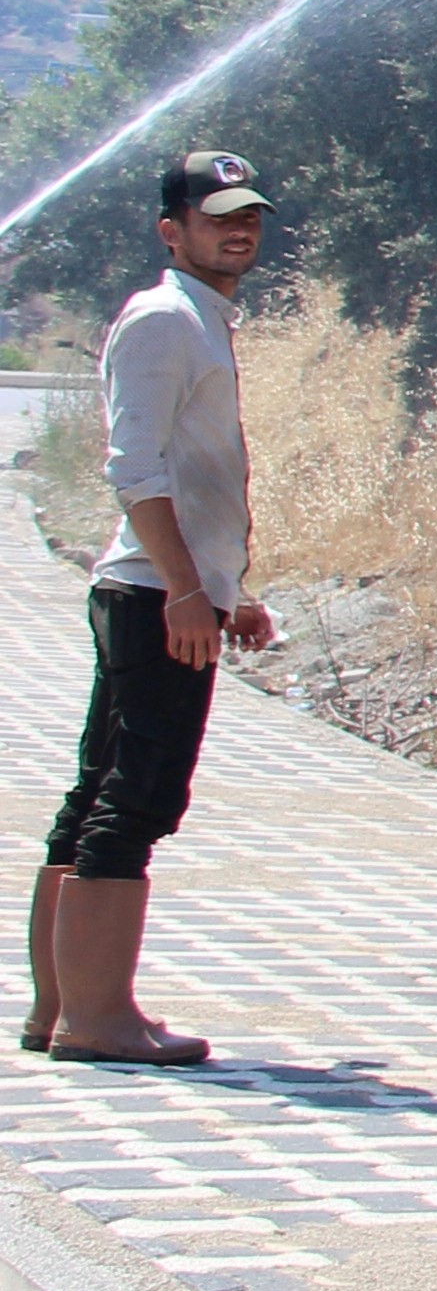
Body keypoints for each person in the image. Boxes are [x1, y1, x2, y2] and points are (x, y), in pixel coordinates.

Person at [29, 153, 279, 1067]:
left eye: (248, 214)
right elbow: (134, 469)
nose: (237, 229)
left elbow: (191, 472)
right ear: (172, 231)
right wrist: (184, 589)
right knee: (135, 801)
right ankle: (98, 1019)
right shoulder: (167, 320)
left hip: (161, 590)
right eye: (216, 217)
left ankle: (60, 1011)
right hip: (149, 596)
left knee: (102, 792)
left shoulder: (199, 320)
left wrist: (226, 591)